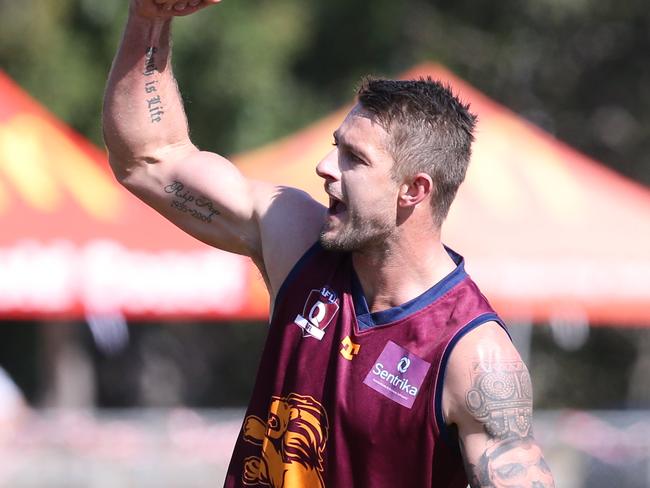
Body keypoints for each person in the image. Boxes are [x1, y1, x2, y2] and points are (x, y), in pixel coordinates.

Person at [103, 1, 556, 487]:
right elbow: (148, 160)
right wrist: (149, 18)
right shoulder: (297, 239)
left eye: (353, 159)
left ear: (414, 190)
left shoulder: (473, 355)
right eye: (334, 145)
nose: (324, 166)